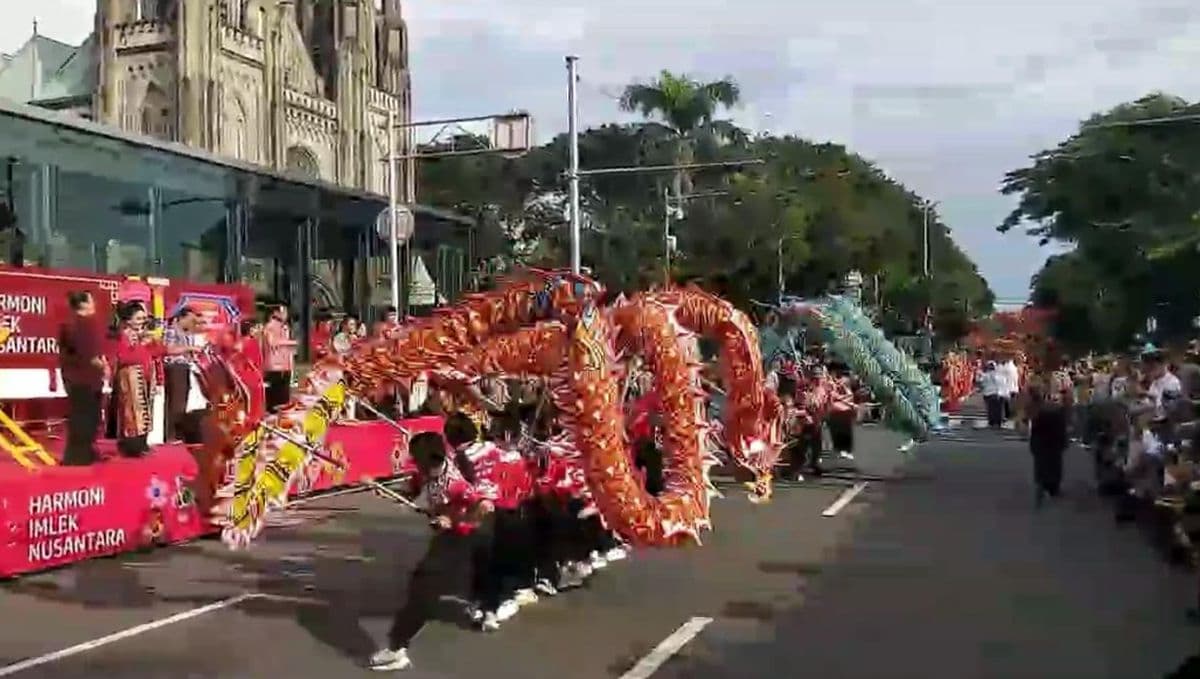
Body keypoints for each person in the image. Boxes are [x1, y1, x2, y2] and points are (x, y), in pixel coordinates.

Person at [369, 430, 495, 673]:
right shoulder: (429, 472)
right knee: (461, 576)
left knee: (423, 588)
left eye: (417, 460)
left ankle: (396, 649)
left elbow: (481, 508)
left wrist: (454, 519)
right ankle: (483, 607)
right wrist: (389, 491)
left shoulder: (455, 483)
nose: (415, 464)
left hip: (463, 535)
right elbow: (414, 488)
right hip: (450, 533)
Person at [58, 291, 106, 465]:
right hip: (83, 379)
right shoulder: (81, 325)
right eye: (92, 301)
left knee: (85, 417)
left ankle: (84, 453)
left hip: (76, 378)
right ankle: (77, 457)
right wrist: (104, 367)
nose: (94, 304)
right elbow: (88, 355)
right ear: (84, 305)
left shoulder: (71, 324)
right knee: (84, 419)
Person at [113, 302, 162, 457]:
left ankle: (141, 444)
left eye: (144, 318)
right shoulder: (124, 335)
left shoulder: (143, 335)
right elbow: (123, 357)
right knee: (132, 413)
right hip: (130, 376)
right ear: (129, 320)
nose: (142, 321)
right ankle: (131, 447)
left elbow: (159, 351)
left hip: (144, 375)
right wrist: (140, 344)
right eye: (139, 318)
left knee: (145, 411)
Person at [162, 307, 203, 442]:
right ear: (181, 318)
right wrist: (189, 348)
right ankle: (171, 436)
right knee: (175, 404)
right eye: (190, 320)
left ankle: (178, 434)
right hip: (174, 368)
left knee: (182, 403)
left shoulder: (186, 333)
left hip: (184, 367)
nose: (192, 324)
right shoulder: (172, 330)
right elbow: (168, 349)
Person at [1027, 381, 1069, 507]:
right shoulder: (1053, 405)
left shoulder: (1035, 407)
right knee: (1053, 460)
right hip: (1052, 433)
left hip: (1044, 435)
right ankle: (1051, 486)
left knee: (1043, 460)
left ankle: (1044, 482)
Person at [262, 304, 297, 413]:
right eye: (283, 311)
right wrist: (290, 342)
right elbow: (272, 342)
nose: (286, 314)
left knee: (284, 395)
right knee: (274, 395)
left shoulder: (285, 327)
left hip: (285, 365)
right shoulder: (270, 326)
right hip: (274, 366)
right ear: (275, 313)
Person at [979, 361, 1005, 428]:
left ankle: (992, 422)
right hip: (998, 393)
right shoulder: (1000, 375)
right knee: (998, 409)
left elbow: (981, 383)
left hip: (988, 394)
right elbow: (1003, 383)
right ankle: (998, 421)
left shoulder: (985, 375)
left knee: (990, 409)